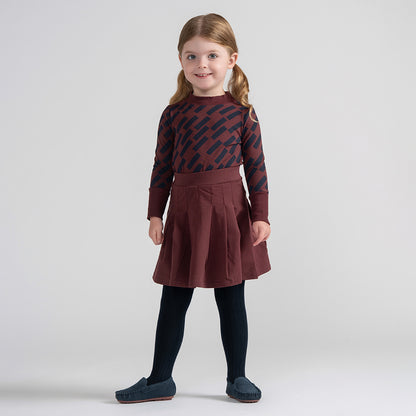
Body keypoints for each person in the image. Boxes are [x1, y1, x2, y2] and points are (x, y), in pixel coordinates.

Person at [115, 12, 271, 404]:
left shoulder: (242, 114)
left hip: (228, 214)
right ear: (181, 60)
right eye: (192, 56)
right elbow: (161, 166)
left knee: (231, 298)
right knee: (174, 298)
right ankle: (159, 379)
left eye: (212, 55)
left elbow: (256, 168)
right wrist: (155, 213)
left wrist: (261, 215)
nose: (202, 64)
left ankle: (238, 377)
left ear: (231, 59)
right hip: (184, 214)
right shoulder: (174, 115)